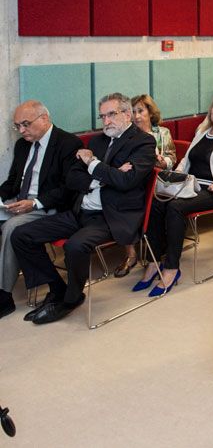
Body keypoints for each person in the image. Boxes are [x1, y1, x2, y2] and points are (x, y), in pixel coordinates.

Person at [12, 93, 156, 324]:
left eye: (111, 114)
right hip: (81, 211)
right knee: (22, 235)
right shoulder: (97, 142)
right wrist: (107, 175)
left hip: (111, 217)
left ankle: (72, 298)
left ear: (127, 114)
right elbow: (72, 177)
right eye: (102, 116)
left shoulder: (144, 142)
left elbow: (126, 182)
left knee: (76, 246)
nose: (106, 121)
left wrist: (93, 163)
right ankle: (58, 289)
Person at [139, 92, 213, 295]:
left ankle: (171, 267)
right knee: (157, 202)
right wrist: (175, 175)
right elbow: (187, 160)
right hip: (190, 185)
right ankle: (153, 261)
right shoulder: (203, 131)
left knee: (175, 207)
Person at [0, 101, 82, 319]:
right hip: (21, 202)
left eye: (25, 124)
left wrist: (34, 204)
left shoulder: (68, 143)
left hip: (49, 206)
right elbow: (12, 182)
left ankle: (4, 295)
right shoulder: (22, 145)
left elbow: (68, 189)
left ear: (44, 119)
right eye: (17, 126)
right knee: (10, 223)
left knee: (11, 227)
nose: (21, 130)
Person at [113, 94, 177, 278]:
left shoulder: (162, 133)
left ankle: (157, 252)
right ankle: (131, 255)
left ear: (150, 112)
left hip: (159, 182)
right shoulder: (126, 135)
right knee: (123, 200)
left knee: (156, 205)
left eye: (140, 111)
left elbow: (172, 157)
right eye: (132, 112)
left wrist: (162, 161)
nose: (137, 116)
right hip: (135, 181)